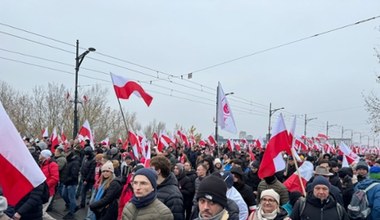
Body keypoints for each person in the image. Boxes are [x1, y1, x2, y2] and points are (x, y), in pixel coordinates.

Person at [39, 149, 59, 220]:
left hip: (48, 191)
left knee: (41, 212)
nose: (39, 155)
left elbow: (55, 178)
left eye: (41, 154)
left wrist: (45, 186)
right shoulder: (43, 164)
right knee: (40, 211)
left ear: (44, 156)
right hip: (42, 190)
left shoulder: (52, 164)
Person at [61, 148, 81, 219]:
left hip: (71, 183)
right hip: (66, 182)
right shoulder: (69, 161)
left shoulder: (75, 162)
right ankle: (73, 206)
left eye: (66, 153)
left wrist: (66, 180)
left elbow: (74, 175)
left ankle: (71, 213)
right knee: (63, 195)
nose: (65, 154)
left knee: (71, 198)